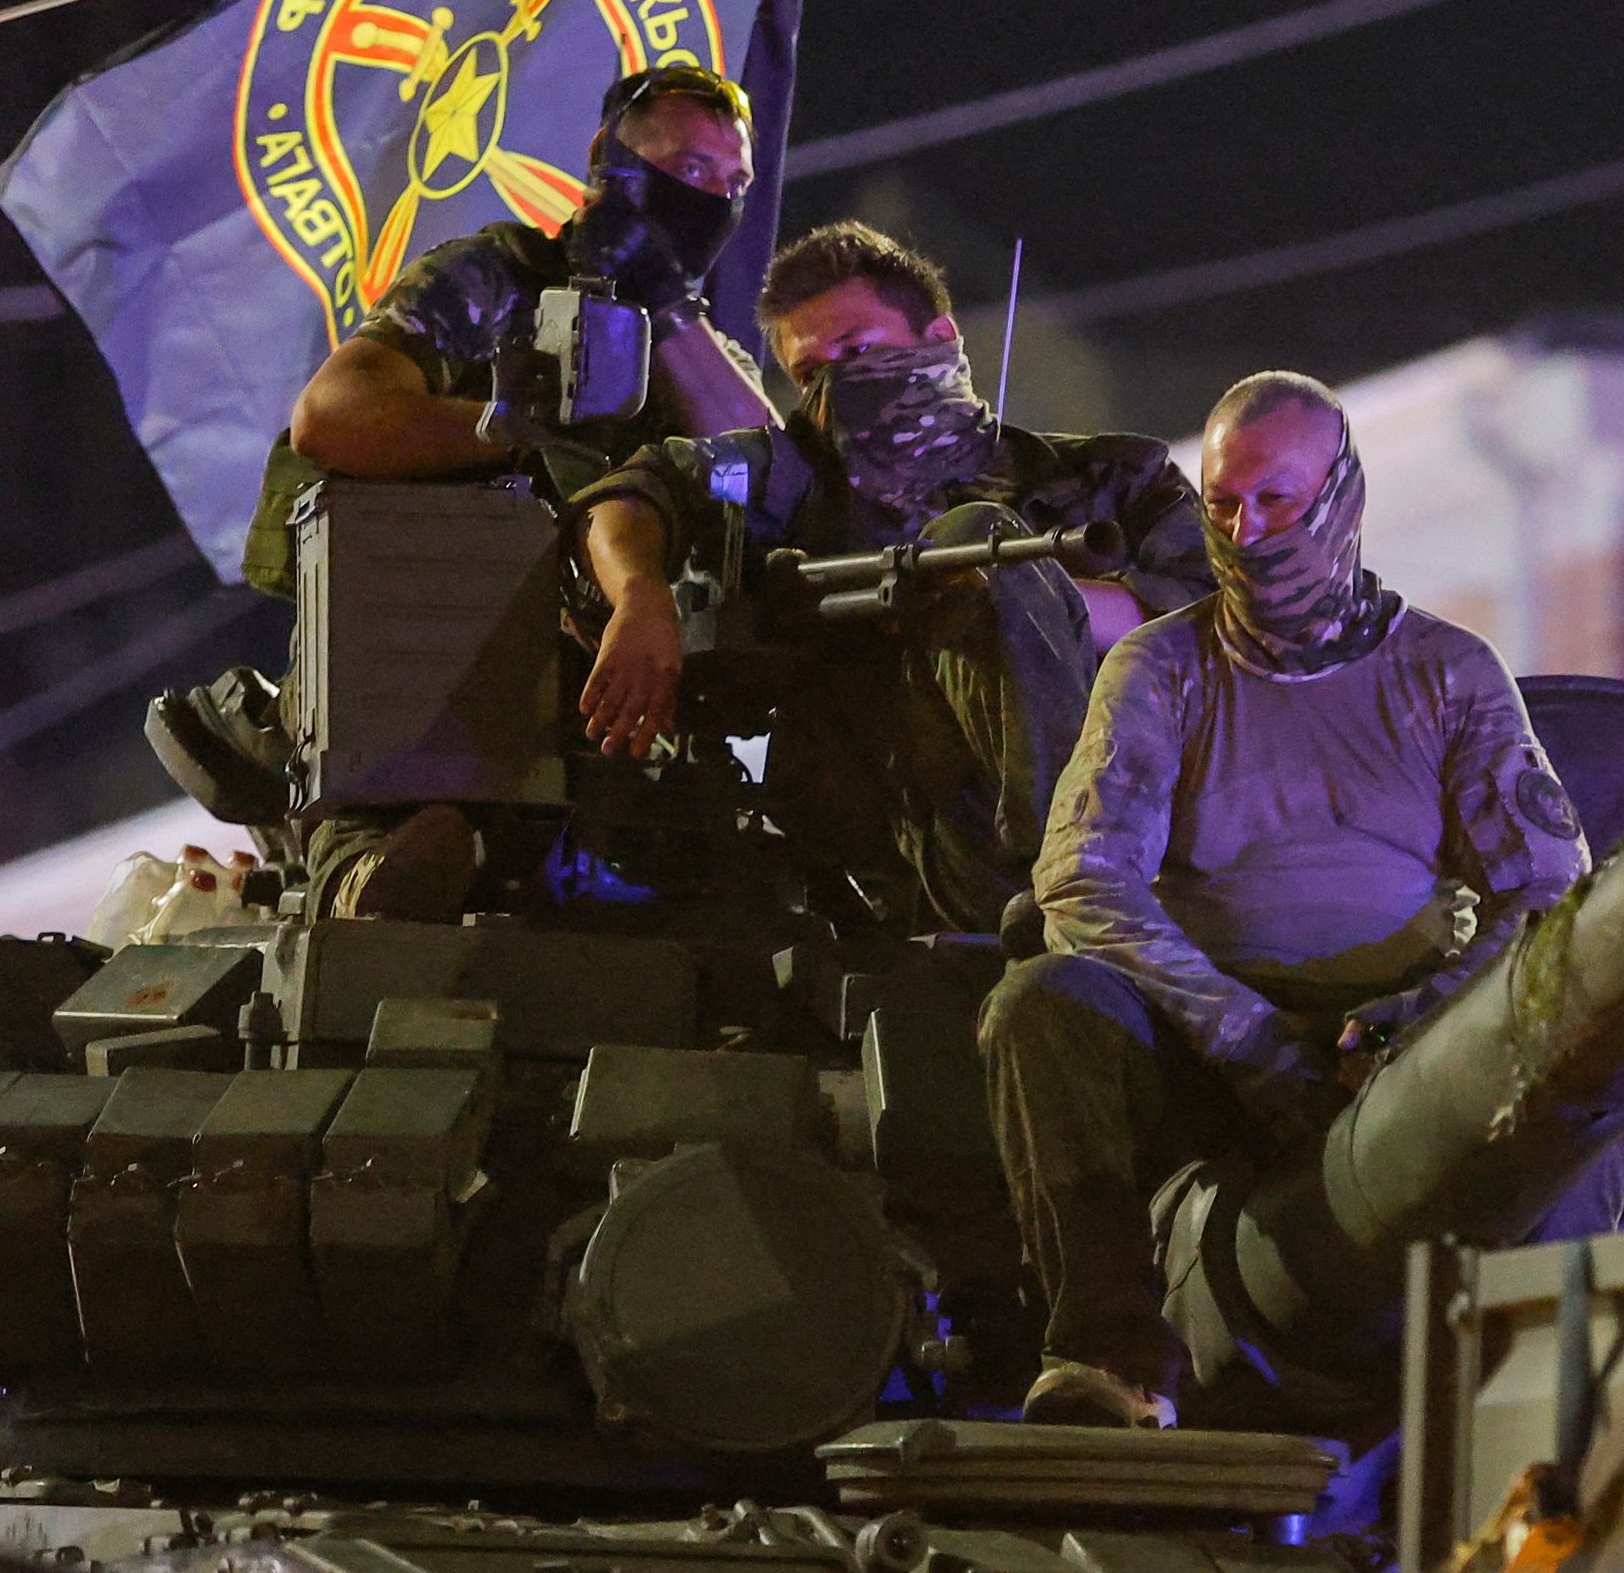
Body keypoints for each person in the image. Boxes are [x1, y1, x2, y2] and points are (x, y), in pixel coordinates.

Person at [979, 371, 1591, 1427]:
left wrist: (1419, 1023)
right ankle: (1112, 1357)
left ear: (1341, 498)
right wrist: (1246, 1038)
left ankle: (1535, 1385)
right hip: (1201, 1038)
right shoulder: (1159, 668)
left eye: (1275, 500)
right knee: (1039, 1002)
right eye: (1221, 503)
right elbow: (1082, 875)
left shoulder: (1445, 672)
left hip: (1400, 1048)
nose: (1246, 529)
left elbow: (1543, 886)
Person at [152, 57, 781, 920]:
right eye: (681, 167)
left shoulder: (693, 350)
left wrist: (667, 308)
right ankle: (354, 872)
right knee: (411, 817)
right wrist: (518, 440)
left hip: (617, 701)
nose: (704, 196)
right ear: (607, 158)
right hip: (436, 655)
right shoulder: (498, 278)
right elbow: (332, 417)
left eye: (727, 179)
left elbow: (768, 473)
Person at [571, 221, 1212, 935]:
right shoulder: (794, 478)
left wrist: (1015, 588)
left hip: (1159, 831)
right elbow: (634, 493)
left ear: (940, 337)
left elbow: (1214, 626)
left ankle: (1078, 865)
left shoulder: (1113, 477)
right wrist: (639, 595)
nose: (839, 385)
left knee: (978, 543)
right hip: (933, 845)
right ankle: (1068, 871)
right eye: (812, 373)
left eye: (860, 351)